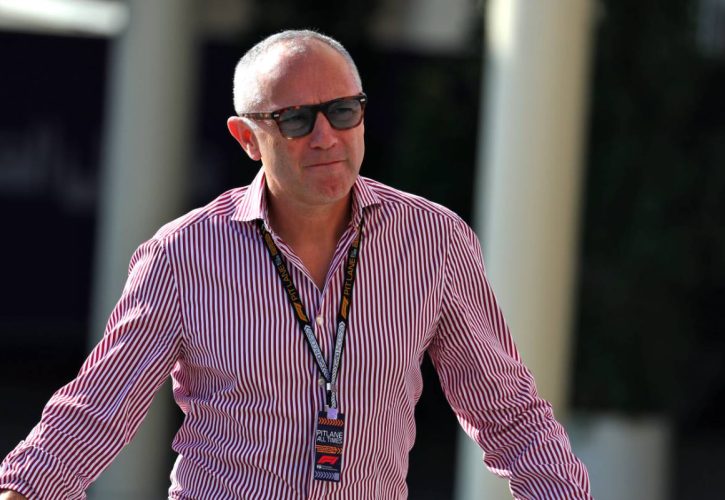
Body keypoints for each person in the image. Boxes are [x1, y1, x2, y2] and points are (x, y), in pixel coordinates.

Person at [0, 30, 591, 499]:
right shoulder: (184, 254)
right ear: (247, 138)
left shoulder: (433, 241)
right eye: (297, 120)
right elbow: (98, 408)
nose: (326, 137)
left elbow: (508, 412)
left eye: (343, 111)